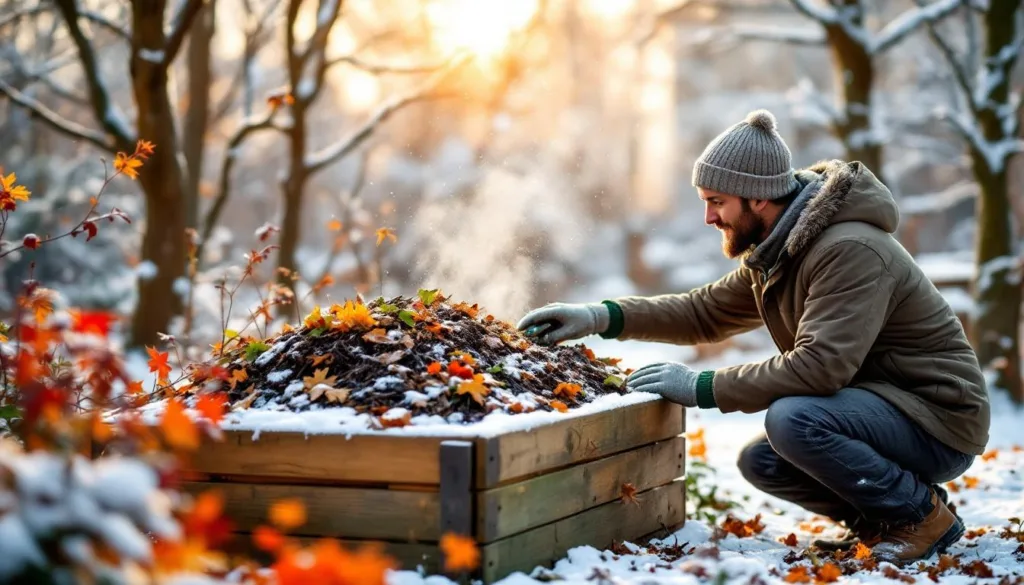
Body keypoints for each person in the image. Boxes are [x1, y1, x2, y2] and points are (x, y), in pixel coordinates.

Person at [516, 109, 990, 564]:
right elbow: (703, 313)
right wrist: (599, 316)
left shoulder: (849, 250)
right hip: (884, 410)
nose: (709, 218)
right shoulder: (785, 248)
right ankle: (886, 519)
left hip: (937, 419)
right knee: (764, 461)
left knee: (794, 420)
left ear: (758, 198)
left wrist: (702, 387)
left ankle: (920, 518)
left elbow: (821, 367)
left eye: (716, 202)